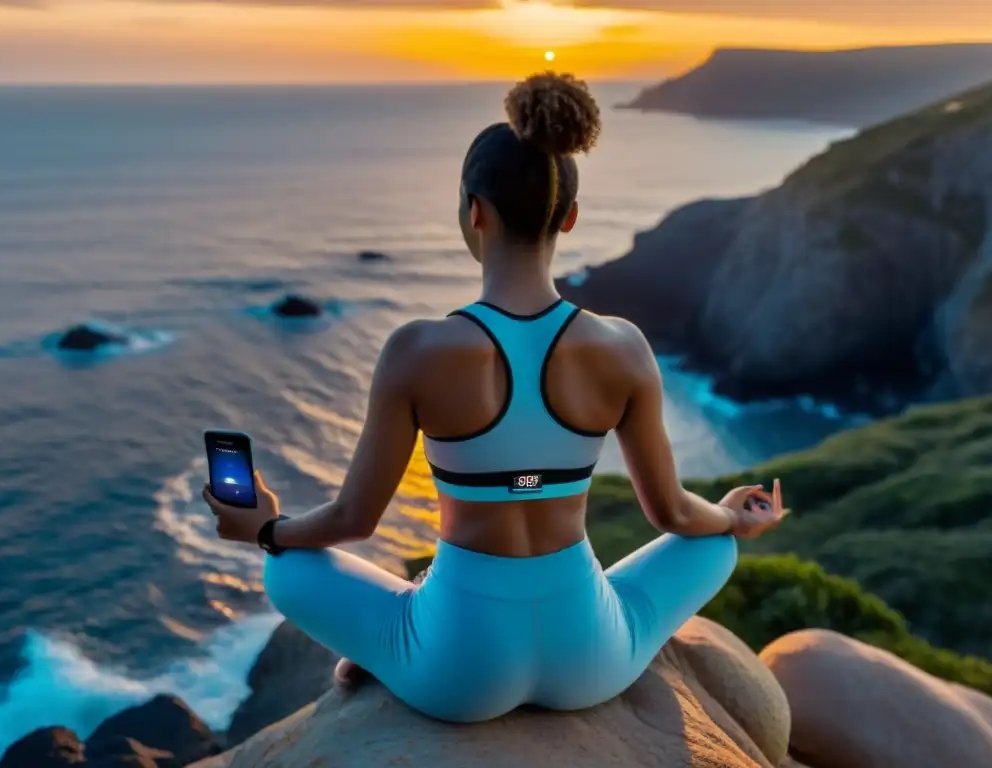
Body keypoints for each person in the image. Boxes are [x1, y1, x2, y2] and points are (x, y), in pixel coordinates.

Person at [203, 71, 787, 724]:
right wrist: (735, 519)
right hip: (590, 660)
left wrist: (267, 528)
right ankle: (410, 630)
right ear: (569, 217)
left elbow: (351, 521)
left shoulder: (417, 351)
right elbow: (674, 513)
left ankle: (394, 641)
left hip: (456, 674)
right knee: (713, 545)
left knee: (285, 570)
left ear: (473, 211)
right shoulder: (624, 347)